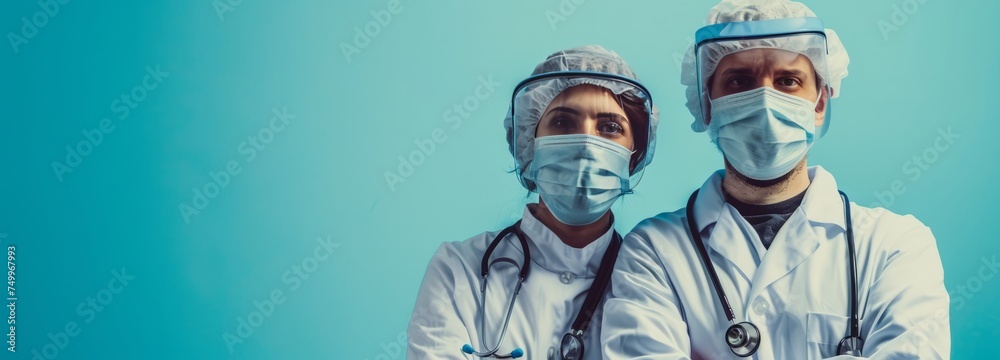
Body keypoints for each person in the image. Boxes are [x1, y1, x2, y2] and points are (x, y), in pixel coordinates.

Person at [601, 1, 950, 358]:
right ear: (707, 106)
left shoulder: (895, 246)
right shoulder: (652, 251)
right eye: (739, 81)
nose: (765, 101)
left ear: (819, 103)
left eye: (787, 81)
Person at [407, 45, 659, 359]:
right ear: (529, 143)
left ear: (634, 155)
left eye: (610, 128)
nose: (586, 145)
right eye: (563, 123)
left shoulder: (654, 280)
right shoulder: (458, 270)